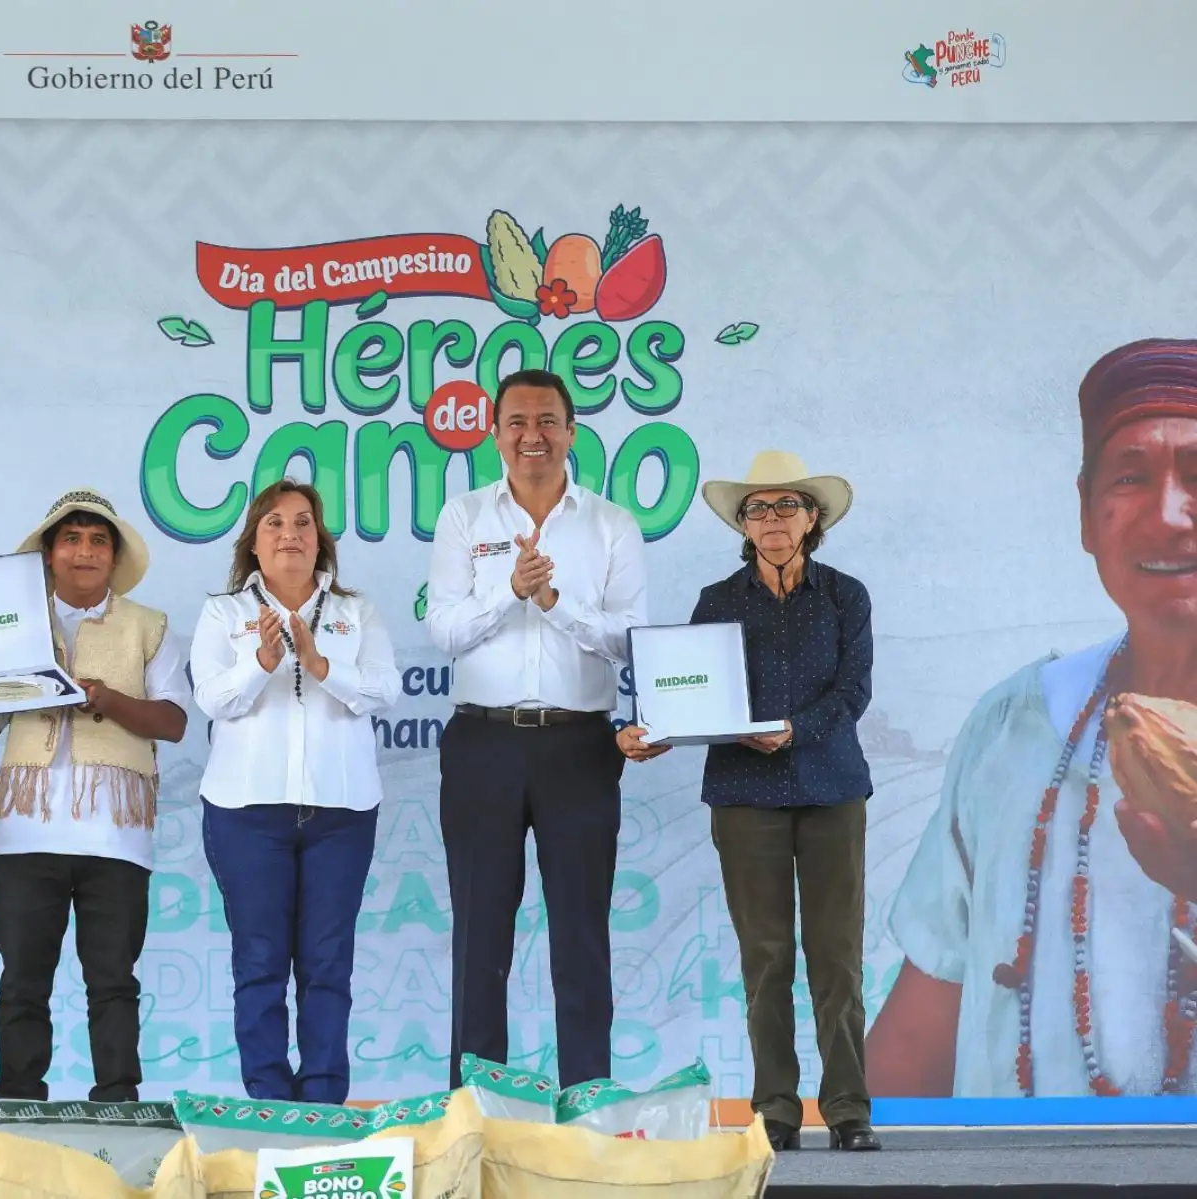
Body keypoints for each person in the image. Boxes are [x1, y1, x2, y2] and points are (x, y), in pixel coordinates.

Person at [869, 338, 1197, 1098]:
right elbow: (920, 1030)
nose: (1168, 515)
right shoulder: (1018, 723)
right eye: (1130, 477)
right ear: (1086, 514)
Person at [619, 450, 880, 1152]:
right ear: (742, 524)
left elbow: (854, 690)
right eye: (758, 508)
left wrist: (797, 730)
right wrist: (662, 728)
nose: (772, 519)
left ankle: (848, 1109)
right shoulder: (717, 601)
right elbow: (691, 691)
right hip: (744, 794)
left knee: (837, 957)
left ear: (813, 517)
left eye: (786, 505)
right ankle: (776, 1110)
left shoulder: (845, 596)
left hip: (831, 788)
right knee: (765, 959)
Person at [0, 488, 187, 1102]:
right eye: (71, 538)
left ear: (114, 556)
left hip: (116, 836)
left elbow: (173, 722)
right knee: (22, 980)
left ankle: (118, 1100)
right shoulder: (11, 625)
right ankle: (18, 1100)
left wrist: (104, 697)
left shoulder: (149, 626)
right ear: (47, 554)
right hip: (26, 834)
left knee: (113, 981)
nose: (84, 551)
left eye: (98, 540)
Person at [425, 368, 647, 1090]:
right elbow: (443, 630)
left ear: (571, 432)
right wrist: (508, 592)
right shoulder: (464, 517)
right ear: (495, 435)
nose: (533, 435)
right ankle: (477, 1105)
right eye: (517, 421)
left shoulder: (610, 524)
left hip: (579, 745)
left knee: (580, 932)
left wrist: (554, 602)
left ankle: (587, 1100)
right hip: (482, 743)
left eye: (548, 420)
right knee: (479, 934)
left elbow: (630, 640)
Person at [190, 478, 401, 1103]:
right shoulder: (223, 613)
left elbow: (385, 690)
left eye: (303, 522)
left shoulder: (355, 612)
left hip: (342, 811)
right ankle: (269, 1101)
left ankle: (324, 1100)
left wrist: (320, 663)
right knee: (259, 963)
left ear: (320, 539)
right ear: (254, 545)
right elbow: (213, 700)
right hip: (246, 813)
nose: (291, 534)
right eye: (275, 524)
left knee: (327, 964)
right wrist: (261, 661)